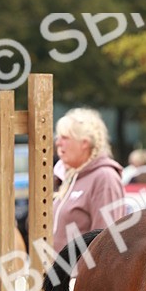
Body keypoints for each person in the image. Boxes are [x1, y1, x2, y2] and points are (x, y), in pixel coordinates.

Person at [52, 108, 127, 253]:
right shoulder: (70, 177)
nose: (58, 143)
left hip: (79, 274)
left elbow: (106, 243)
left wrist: (79, 274)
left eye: (65, 138)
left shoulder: (105, 178)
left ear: (84, 143)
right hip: (57, 274)